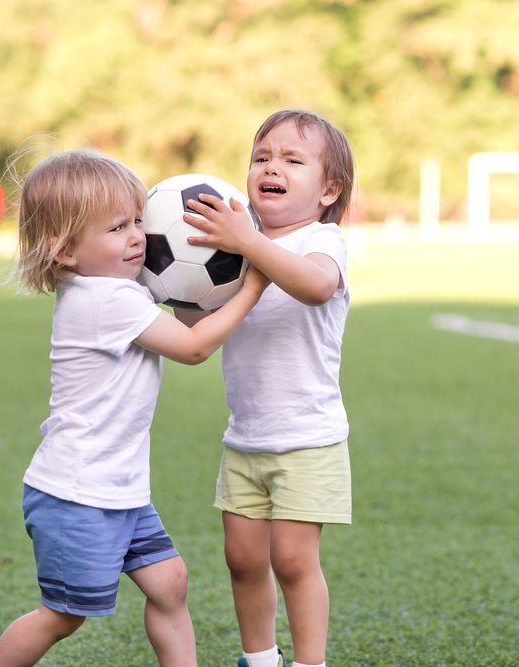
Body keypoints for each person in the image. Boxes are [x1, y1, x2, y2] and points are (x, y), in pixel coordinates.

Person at [0, 148, 268, 667]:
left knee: (169, 584)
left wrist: (198, 288)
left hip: (117, 489)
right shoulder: (105, 301)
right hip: (78, 494)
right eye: (117, 228)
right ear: (65, 250)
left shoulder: (113, 288)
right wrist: (252, 284)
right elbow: (193, 347)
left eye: (139, 220)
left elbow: (180, 327)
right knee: (62, 616)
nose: (137, 236)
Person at [181, 109, 356, 667]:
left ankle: (310, 663)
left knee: (293, 561)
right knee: (242, 558)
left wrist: (248, 245)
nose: (271, 166)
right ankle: (259, 659)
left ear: (328, 189)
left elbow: (315, 286)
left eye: (291, 159)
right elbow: (193, 328)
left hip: (309, 439)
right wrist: (172, 281)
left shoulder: (321, 240)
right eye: (261, 157)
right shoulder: (232, 253)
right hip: (246, 439)